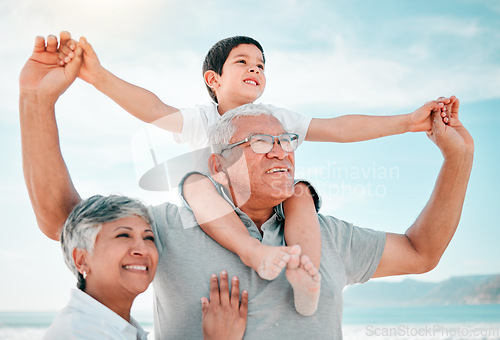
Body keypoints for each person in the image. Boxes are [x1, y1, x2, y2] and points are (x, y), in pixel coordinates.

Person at [20, 33, 474, 339]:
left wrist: (454, 154)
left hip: (297, 232)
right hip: (202, 195)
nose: (280, 149)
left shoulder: (323, 230)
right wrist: (41, 100)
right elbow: (64, 219)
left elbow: (422, 252)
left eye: (286, 141)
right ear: (222, 160)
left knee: (301, 197)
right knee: (192, 184)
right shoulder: (168, 225)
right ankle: (256, 251)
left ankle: (304, 278)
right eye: (261, 141)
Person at [44, 194, 248, 339]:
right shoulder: (80, 332)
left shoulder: (119, 327)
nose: (143, 249)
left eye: (149, 237)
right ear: (81, 259)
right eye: (123, 235)